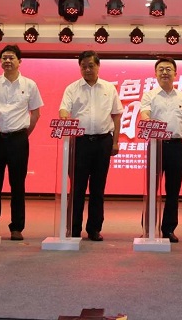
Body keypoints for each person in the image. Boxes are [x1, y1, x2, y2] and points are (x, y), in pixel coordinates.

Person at [0, 45, 43, 241]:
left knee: (18, 185)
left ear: (19, 61)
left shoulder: (30, 84)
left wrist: (23, 134)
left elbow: (36, 114)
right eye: (4, 58)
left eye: (11, 58)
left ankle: (17, 227)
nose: (7, 61)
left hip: (18, 139)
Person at [59, 51, 123, 241]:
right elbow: (64, 109)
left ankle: (94, 228)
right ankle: (74, 228)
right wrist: (64, 117)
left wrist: (115, 141)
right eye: (83, 66)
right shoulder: (72, 88)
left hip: (103, 142)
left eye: (91, 66)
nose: (87, 69)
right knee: (77, 187)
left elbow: (116, 116)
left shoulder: (109, 88)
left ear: (98, 66)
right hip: (80, 142)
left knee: (98, 187)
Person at [140, 57, 182, 243]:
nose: (164, 72)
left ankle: (169, 229)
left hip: (177, 146)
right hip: (156, 144)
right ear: (155, 74)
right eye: (161, 69)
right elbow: (144, 113)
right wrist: (148, 121)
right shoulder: (149, 95)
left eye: (168, 69)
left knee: (173, 190)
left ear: (175, 73)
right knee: (151, 189)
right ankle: (148, 228)